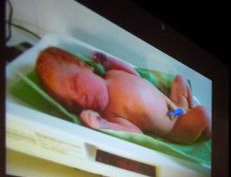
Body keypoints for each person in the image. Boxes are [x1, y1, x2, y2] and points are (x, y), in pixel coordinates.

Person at [35, 46, 211, 144]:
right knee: (202, 114)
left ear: (86, 67)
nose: (80, 99)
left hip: (175, 107)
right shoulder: (111, 112)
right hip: (176, 126)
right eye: (72, 104)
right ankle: (210, 136)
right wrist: (102, 124)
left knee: (180, 80)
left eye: (75, 84)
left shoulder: (112, 74)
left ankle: (189, 109)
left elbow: (134, 75)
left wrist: (110, 61)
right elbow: (135, 132)